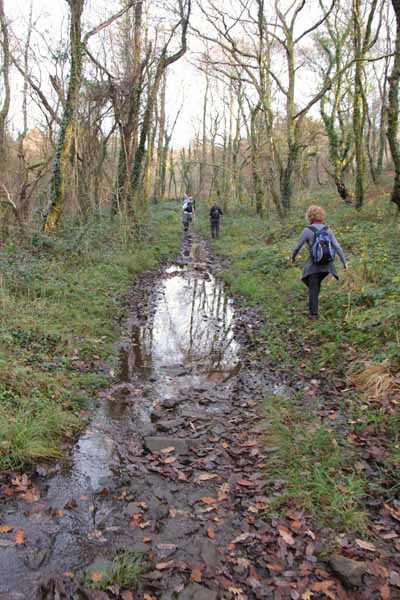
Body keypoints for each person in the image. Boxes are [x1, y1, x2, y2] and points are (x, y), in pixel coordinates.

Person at [291, 205, 347, 320]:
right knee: (315, 285)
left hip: (314, 265)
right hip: (328, 266)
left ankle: (313, 314)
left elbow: (297, 247)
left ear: (309, 216)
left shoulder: (307, 230)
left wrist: (293, 258)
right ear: (321, 215)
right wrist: (344, 262)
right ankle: (314, 306)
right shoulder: (328, 230)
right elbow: (337, 247)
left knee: (312, 285)